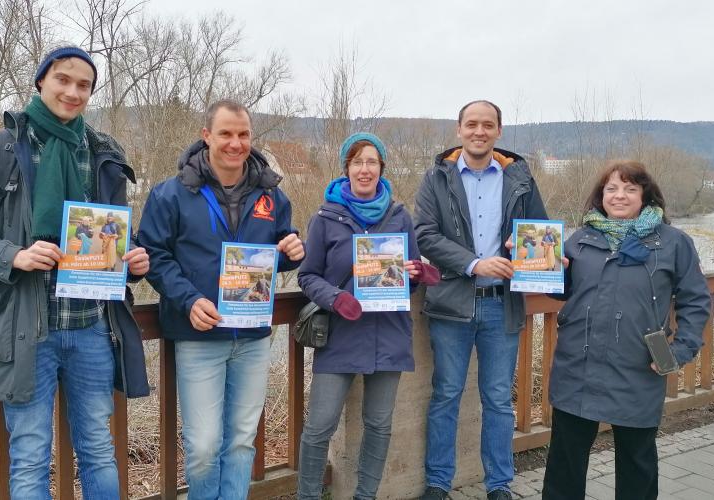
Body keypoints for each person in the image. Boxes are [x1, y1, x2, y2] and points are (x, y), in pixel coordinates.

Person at [0, 46, 151, 500]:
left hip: (93, 328)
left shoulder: (102, 152)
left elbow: (110, 231)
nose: (72, 92)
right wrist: (12, 255)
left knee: (99, 448)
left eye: (84, 85)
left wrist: (132, 257)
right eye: (63, 80)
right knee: (31, 454)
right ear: (41, 81)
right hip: (25, 331)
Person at [137, 99, 305, 499]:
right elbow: (154, 256)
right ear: (206, 136)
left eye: (243, 134)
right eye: (226, 133)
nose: (235, 143)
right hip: (199, 335)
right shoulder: (170, 195)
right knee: (202, 448)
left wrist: (294, 252)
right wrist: (188, 300)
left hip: (252, 336)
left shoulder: (272, 197)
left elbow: (277, 253)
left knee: (242, 441)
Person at [541, 161, 710, 500]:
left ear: (645, 195)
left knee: (637, 464)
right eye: (611, 189)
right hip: (579, 367)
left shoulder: (673, 242)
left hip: (638, 368)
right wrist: (538, 266)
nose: (619, 196)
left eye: (630, 189)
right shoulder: (580, 239)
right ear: (600, 195)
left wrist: (680, 350)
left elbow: (696, 300)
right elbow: (565, 291)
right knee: (565, 464)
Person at [414, 100, 549, 500]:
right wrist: (475, 264)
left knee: (497, 400)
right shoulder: (436, 177)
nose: (479, 131)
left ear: (499, 132)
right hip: (451, 303)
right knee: (446, 395)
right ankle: (438, 483)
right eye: (471, 124)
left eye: (487, 125)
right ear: (459, 130)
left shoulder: (520, 178)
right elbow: (425, 234)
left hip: (501, 305)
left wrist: (524, 247)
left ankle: (499, 485)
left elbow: (540, 232)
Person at [295, 133, 440, 500]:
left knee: (378, 424)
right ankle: (308, 496)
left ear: (381, 168)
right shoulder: (325, 218)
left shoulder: (399, 216)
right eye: (357, 161)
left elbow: (405, 277)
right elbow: (307, 275)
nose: (365, 169)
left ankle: (365, 496)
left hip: (387, 334)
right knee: (318, 427)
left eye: (372, 162)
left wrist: (415, 276)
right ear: (346, 168)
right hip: (341, 333)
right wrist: (336, 298)